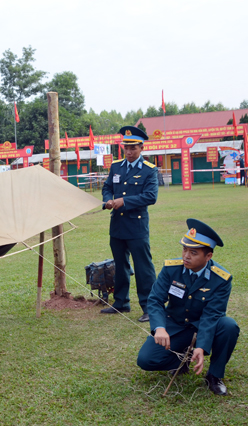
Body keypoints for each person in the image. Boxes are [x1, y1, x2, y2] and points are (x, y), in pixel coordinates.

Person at [137, 219, 239, 395]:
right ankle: (183, 358)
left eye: (193, 252)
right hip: (176, 325)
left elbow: (212, 314)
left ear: (208, 256)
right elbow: (155, 300)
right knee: (146, 360)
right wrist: (159, 328)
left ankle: (214, 375)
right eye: (184, 249)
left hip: (203, 326)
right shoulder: (171, 269)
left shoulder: (221, 279)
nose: (186, 256)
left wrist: (202, 346)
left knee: (229, 326)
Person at [101, 126, 158, 322]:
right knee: (120, 265)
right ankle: (121, 303)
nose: (129, 151)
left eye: (133, 148)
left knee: (143, 267)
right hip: (117, 225)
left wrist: (123, 201)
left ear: (141, 148)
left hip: (136, 226)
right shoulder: (116, 166)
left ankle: (150, 307)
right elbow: (107, 186)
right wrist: (108, 200)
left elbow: (151, 196)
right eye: (126, 147)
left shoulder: (149, 170)